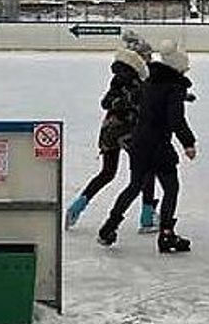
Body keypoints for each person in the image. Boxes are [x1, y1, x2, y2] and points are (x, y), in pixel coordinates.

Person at [97, 40, 197, 253]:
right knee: (171, 188)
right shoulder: (174, 87)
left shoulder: (150, 80)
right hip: (159, 145)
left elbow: (150, 101)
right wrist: (188, 142)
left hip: (139, 142)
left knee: (134, 186)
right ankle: (167, 235)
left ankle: (109, 227)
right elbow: (175, 119)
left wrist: (182, 97)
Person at [65, 30, 159, 233]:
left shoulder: (118, 79)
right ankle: (147, 215)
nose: (150, 59)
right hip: (129, 132)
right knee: (146, 171)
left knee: (107, 172)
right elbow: (118, 103)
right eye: (148, 56)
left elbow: (107, 101)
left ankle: (77, 206)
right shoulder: (138, 82)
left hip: (108, 130)